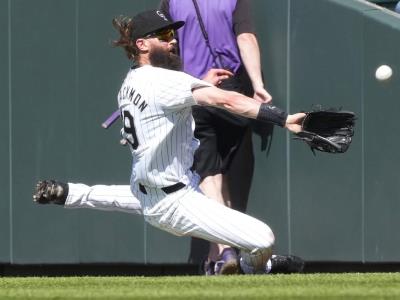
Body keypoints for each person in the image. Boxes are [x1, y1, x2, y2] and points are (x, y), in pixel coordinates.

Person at [34, 9, 305, 275]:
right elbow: (227, 100)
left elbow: (163, 104)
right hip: (175, 199)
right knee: (264, 239)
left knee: (116, 196)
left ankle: (68, 192)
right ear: (142, 44)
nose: (172, 40)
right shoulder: (167, 81)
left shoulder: (129, 82)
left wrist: (199, 84)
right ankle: (256, 266)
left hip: (145, 191)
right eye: (162, 35)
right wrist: (283, 119)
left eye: (172, 33)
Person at [158, 0, 273, 272]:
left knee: (210, 174)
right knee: (221, 177)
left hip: (193, 90)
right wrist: (257, 85)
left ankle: (221, 251)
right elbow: (245, 37)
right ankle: (222, 251)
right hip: (229, 87)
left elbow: (163, 46)